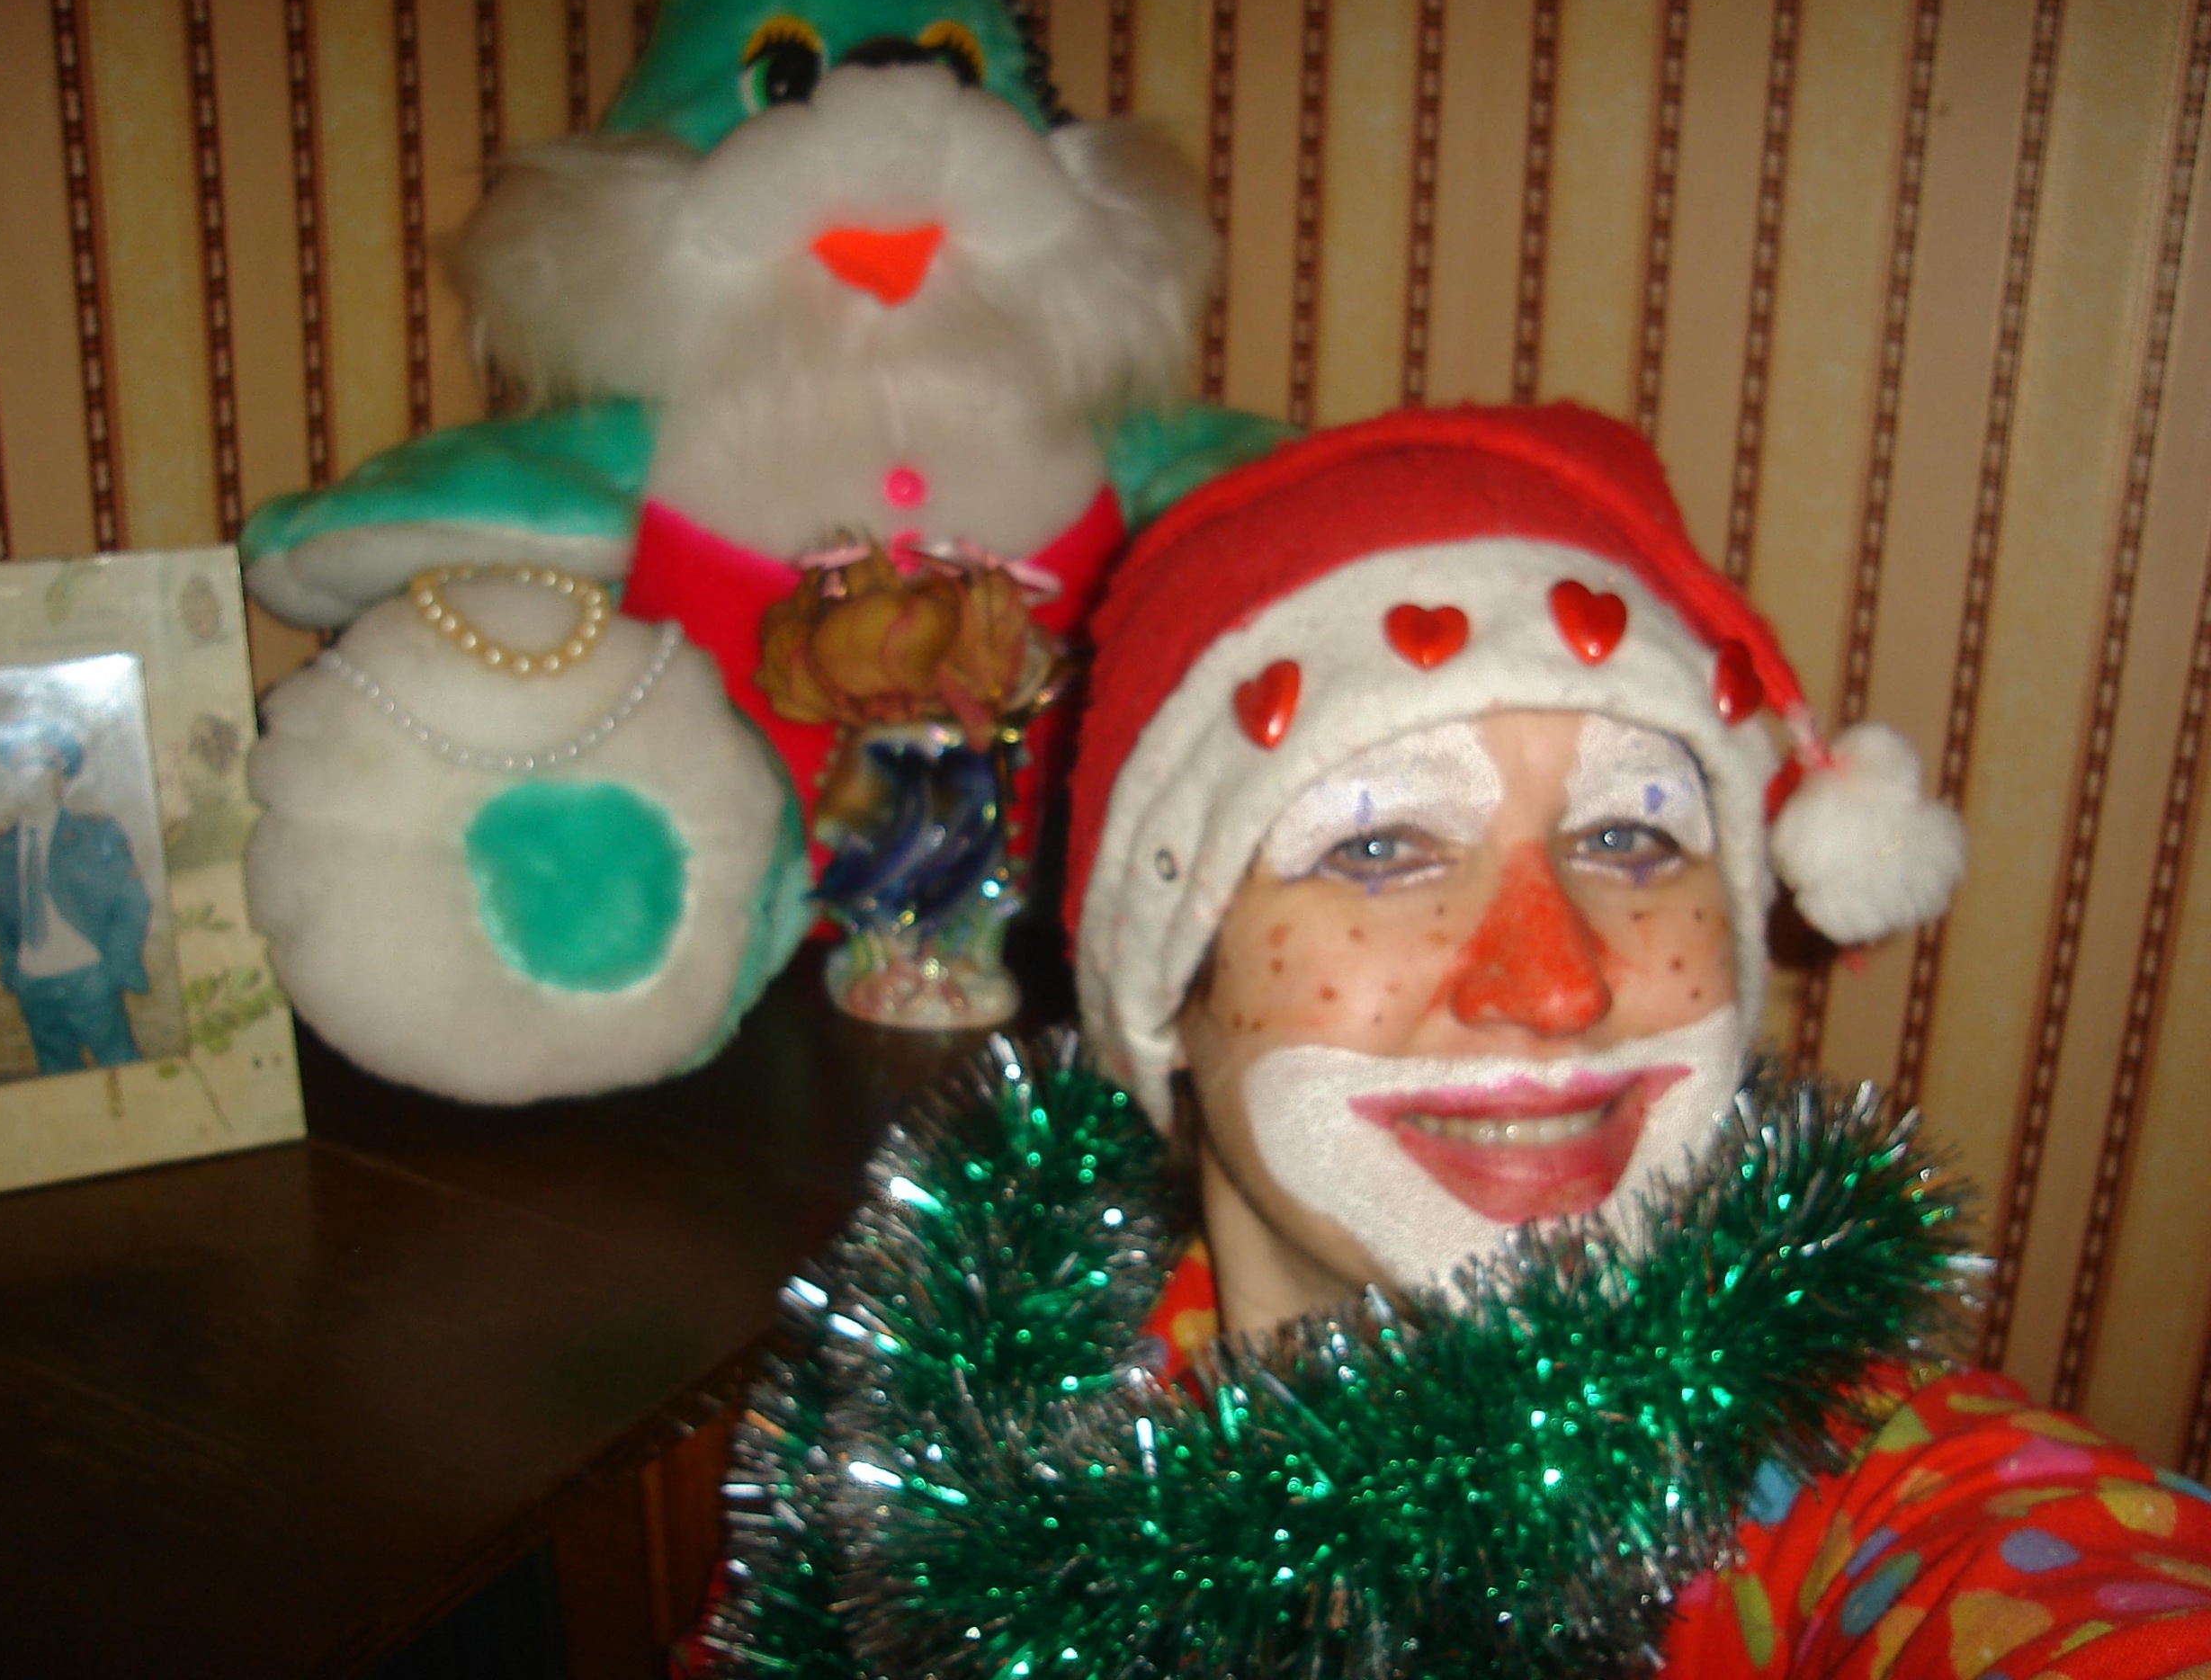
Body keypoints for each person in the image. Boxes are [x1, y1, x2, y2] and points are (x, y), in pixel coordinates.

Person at [706, 407, 2211, 1679]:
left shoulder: (1844, 1480)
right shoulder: (928, 1418)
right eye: (1376, 850)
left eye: (1631, 836)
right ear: (1167, 988)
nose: (1554, 988)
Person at [0, 719, 150, 1075]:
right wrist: (13, 970)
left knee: (121, 1069)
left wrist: (112, 969)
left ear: (60, 781)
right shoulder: (4, 847)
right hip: (34, 986)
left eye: (44, 777)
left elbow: (132, 902)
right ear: (15, 784)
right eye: (25, 778)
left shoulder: (95, 834)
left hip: (89, 979)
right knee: (57, 1078)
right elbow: (1, 914)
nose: (35, 788)